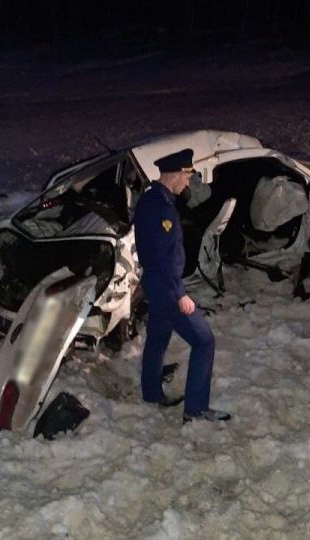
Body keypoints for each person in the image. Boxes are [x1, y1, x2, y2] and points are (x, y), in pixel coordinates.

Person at [133, 148, 231, 423]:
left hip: (155, 284)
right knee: (204, 341)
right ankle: (197, 410)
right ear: (175, 174)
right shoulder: (161, 208)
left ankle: (151, 393)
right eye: (186, 178)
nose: (187, 183)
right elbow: (163, 257)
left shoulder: (151, 199)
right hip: (167, 288)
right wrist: (180, 295)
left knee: (157, 338)